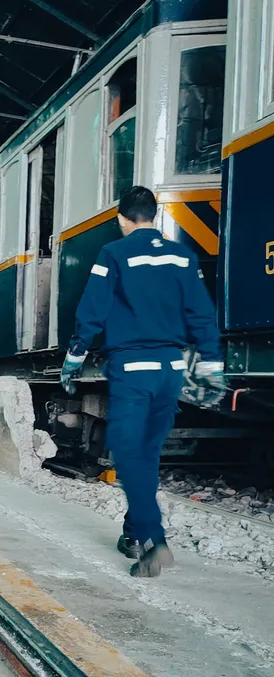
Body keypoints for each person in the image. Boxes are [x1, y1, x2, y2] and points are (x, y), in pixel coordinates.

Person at [60, 185, 226, 578]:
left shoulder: (114, 253)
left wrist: (74, 356)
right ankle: (133, 532)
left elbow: (93, 309)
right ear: (156, 216)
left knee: (128, 452)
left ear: (121, 218)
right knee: (146, 454)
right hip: (170, 368)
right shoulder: (183, 256)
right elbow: (202, 313)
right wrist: (211, 364)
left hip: (132, 369)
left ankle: (154, 541)